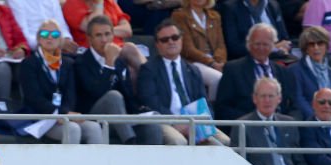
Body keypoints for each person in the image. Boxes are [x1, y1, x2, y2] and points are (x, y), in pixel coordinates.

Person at [239, 77, 331, 165]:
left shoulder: (288, 123)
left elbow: (299, 160)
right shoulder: (243, 125)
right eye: (263, 96)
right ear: (254, 98)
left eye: (271, 96)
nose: (267, 100)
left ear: (279, 99)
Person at [75, 14, 163, 144]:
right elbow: (96, 93)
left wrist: (141, 113)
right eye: (99, 35)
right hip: (93, 117)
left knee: (152, 125)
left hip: (118, 118)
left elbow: (126, 94)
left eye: (107, 34)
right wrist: (109, 64)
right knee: (113, 96)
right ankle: (129, 141)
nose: (104, 40)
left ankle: (153, 163)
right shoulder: (81, 62)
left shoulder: (120, 60)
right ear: (89, 39)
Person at [138, 19, 227, 145]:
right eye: (165, 40)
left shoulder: (193, 70)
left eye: (175, 37)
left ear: (181, 40)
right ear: (157, 45)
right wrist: (176, 121)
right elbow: (151, 102)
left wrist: (202, 123)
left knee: (224, 142)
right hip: (166, 121)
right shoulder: (149, 69)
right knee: (178, 141)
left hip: (195, 122)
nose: (171, 42)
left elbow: (204, 101)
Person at [19, 20, 103, 144]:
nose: (49, 38)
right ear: (38, 38)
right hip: (41, 118)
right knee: (73, 129)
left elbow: (70, 95)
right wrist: (60, 113)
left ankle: (97, 163)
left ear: (60, 40)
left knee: (94, 128)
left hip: (63, 116)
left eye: (55, 35)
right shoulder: (29, 63)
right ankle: (70, 164)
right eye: (44, 34)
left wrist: (65, 114)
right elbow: (33, 97)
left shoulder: (67, 63)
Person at [215, 23, 299, 121]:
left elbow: (294, 106)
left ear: (273, 46)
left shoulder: (282, 72)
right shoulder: (233, 69)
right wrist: (255, 120)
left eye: (265, 44)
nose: (261, 48)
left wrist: (290, 123)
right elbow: (222, 108)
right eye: (257, 44)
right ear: (249, 44)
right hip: (247, 128)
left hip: (278, 128)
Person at [171, 0, 227, 101]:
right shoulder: (180, 16)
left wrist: (220, 62)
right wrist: (212, 63)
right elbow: (187, 49)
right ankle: (212, 112)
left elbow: (220, 45)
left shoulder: (215, 16)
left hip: (215, 62)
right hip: (193, 62)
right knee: (216, 79)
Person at [291, 25, 331, 119]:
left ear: (326, 47)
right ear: (306, 49)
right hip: (310, 121)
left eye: (320, 43)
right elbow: (298, 100)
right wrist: (316, 119)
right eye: (311, 44)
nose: (316, 48)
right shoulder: (296, 70)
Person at [219, 0, 292, 60]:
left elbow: (284, 38)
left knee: (294, 68)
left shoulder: (273, 4)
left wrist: (285, 47)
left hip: (277, 57)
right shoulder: (230, 8)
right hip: (247, 59)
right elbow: (234, 47)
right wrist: (272, 48)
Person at [7, 0, 78, 53]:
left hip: (58, 47)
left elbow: (62, 26)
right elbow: (23, 36)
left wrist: (67, 39)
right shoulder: (16, 1)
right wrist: (54, 43)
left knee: (79, 62)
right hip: (35, 50)